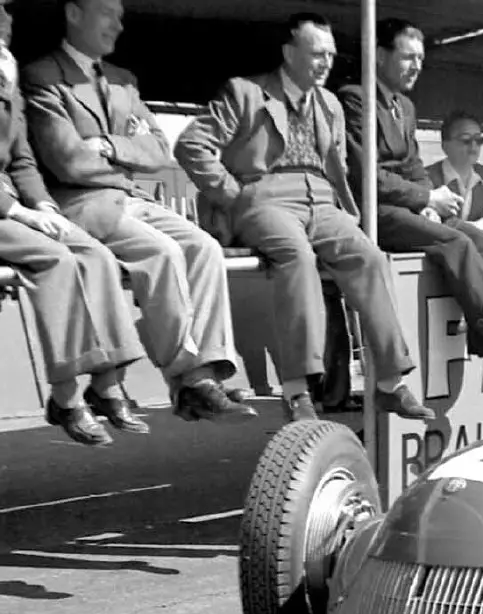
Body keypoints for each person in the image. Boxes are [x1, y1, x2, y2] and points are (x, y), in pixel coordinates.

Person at [173, 13, 441, 423]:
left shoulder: (330, 103)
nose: (326, 62)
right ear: (288, 52)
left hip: (323, 202)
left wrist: (346, 212)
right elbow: (192, 145)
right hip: (267, 198)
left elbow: (337, 166)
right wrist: (234, 195)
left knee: (369, 257)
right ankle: (297, 391)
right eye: (317, 53)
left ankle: (390, 383)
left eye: (330, 54)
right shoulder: (245, 92)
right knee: (297, 257)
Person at [21, 0, 256, 424]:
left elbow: (160, 151)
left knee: (204, 247)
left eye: (120, 16)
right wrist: (127, 153)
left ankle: (206, 372)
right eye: (107, 13)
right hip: (80, 204)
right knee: (162, 252)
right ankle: (190, 380)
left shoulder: (124, 81)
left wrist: (108, 146)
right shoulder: (43, 76)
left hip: (130, 198)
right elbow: (67, 162)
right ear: (74, 13)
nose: (118, 24)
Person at [338, 19, 483, 391]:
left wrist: (427, 202)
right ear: (380, 56)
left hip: (407, 209)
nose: (416, 66)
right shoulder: (355, 98)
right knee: (458, 242)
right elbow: (365, 175)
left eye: (421, 59)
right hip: (375, 213)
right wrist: (426, 197)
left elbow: (413, 166)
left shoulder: (405, 106)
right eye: (408, 57)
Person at [0, 6, 144, 446]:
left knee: (94, 254)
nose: (3, 52)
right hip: (4, 210)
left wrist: (44, 206)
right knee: (56, 259)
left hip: (14, 203)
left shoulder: (9, 86)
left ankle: (108, 383)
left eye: (4, 41)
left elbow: (22, 161)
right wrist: (19, 212)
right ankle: (65, 396)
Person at [426, 110, 483, 235]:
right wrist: (478, 226)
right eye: (466, 140)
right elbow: (425, 224)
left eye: (478, 140)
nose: (473, 147)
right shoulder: (427, 177)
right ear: (445, 146)